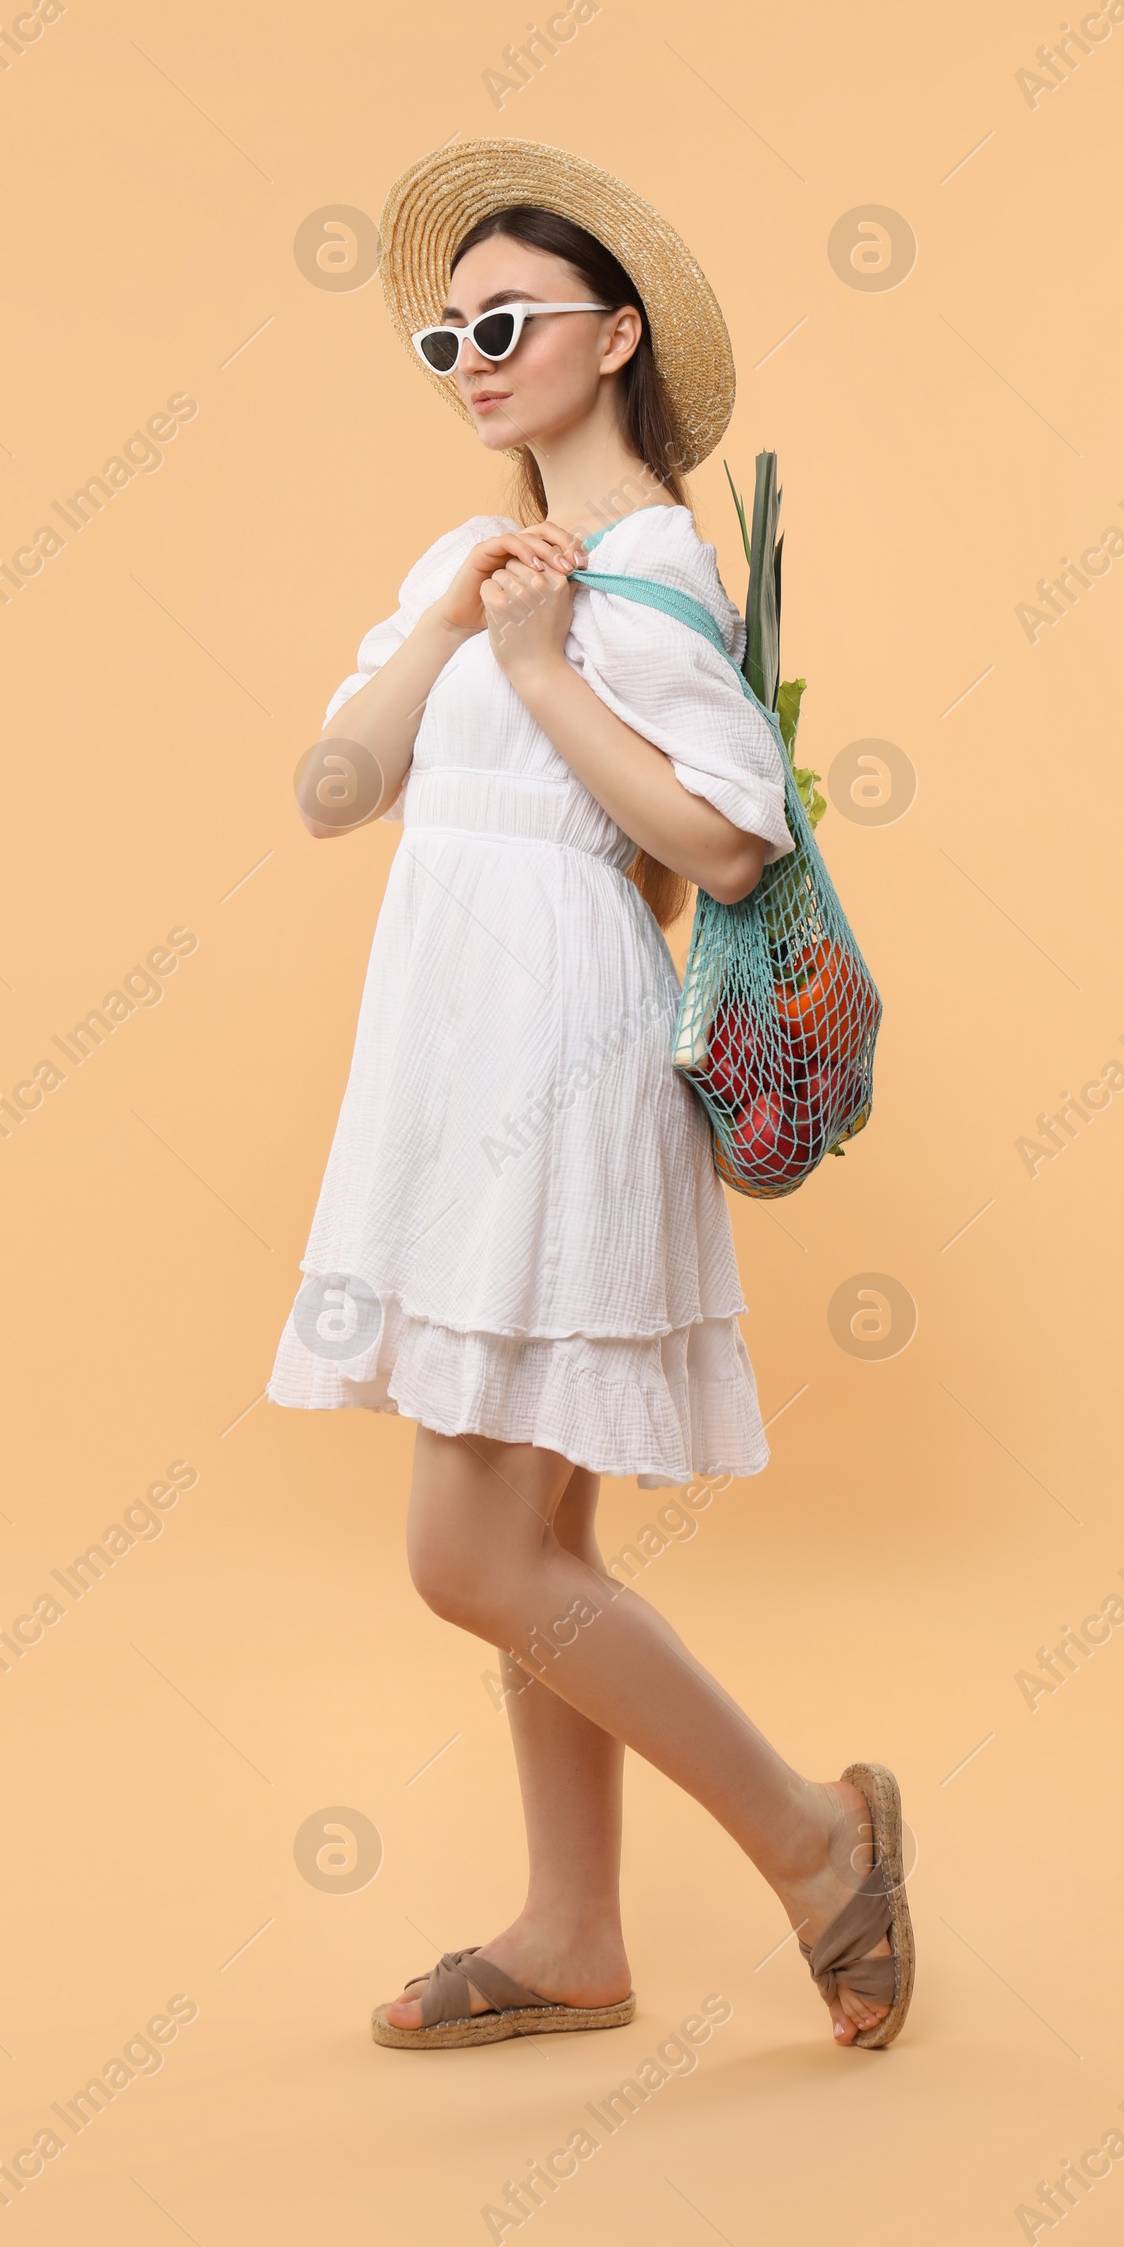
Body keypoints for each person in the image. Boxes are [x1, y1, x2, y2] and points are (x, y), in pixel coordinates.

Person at [269, 140, 913, 2053]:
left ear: (613, 336)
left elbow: (724, 848)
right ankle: (572, 1937)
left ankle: (815, 1842)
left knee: (469, 1556)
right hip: (452, 1049)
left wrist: (547, 670)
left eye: (505, 322)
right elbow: (328, 794)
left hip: (552, 1068)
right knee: (539, 1554)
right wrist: (465, 615)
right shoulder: (482, 567)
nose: (467, 355)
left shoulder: (649, 571)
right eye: (441, 333)